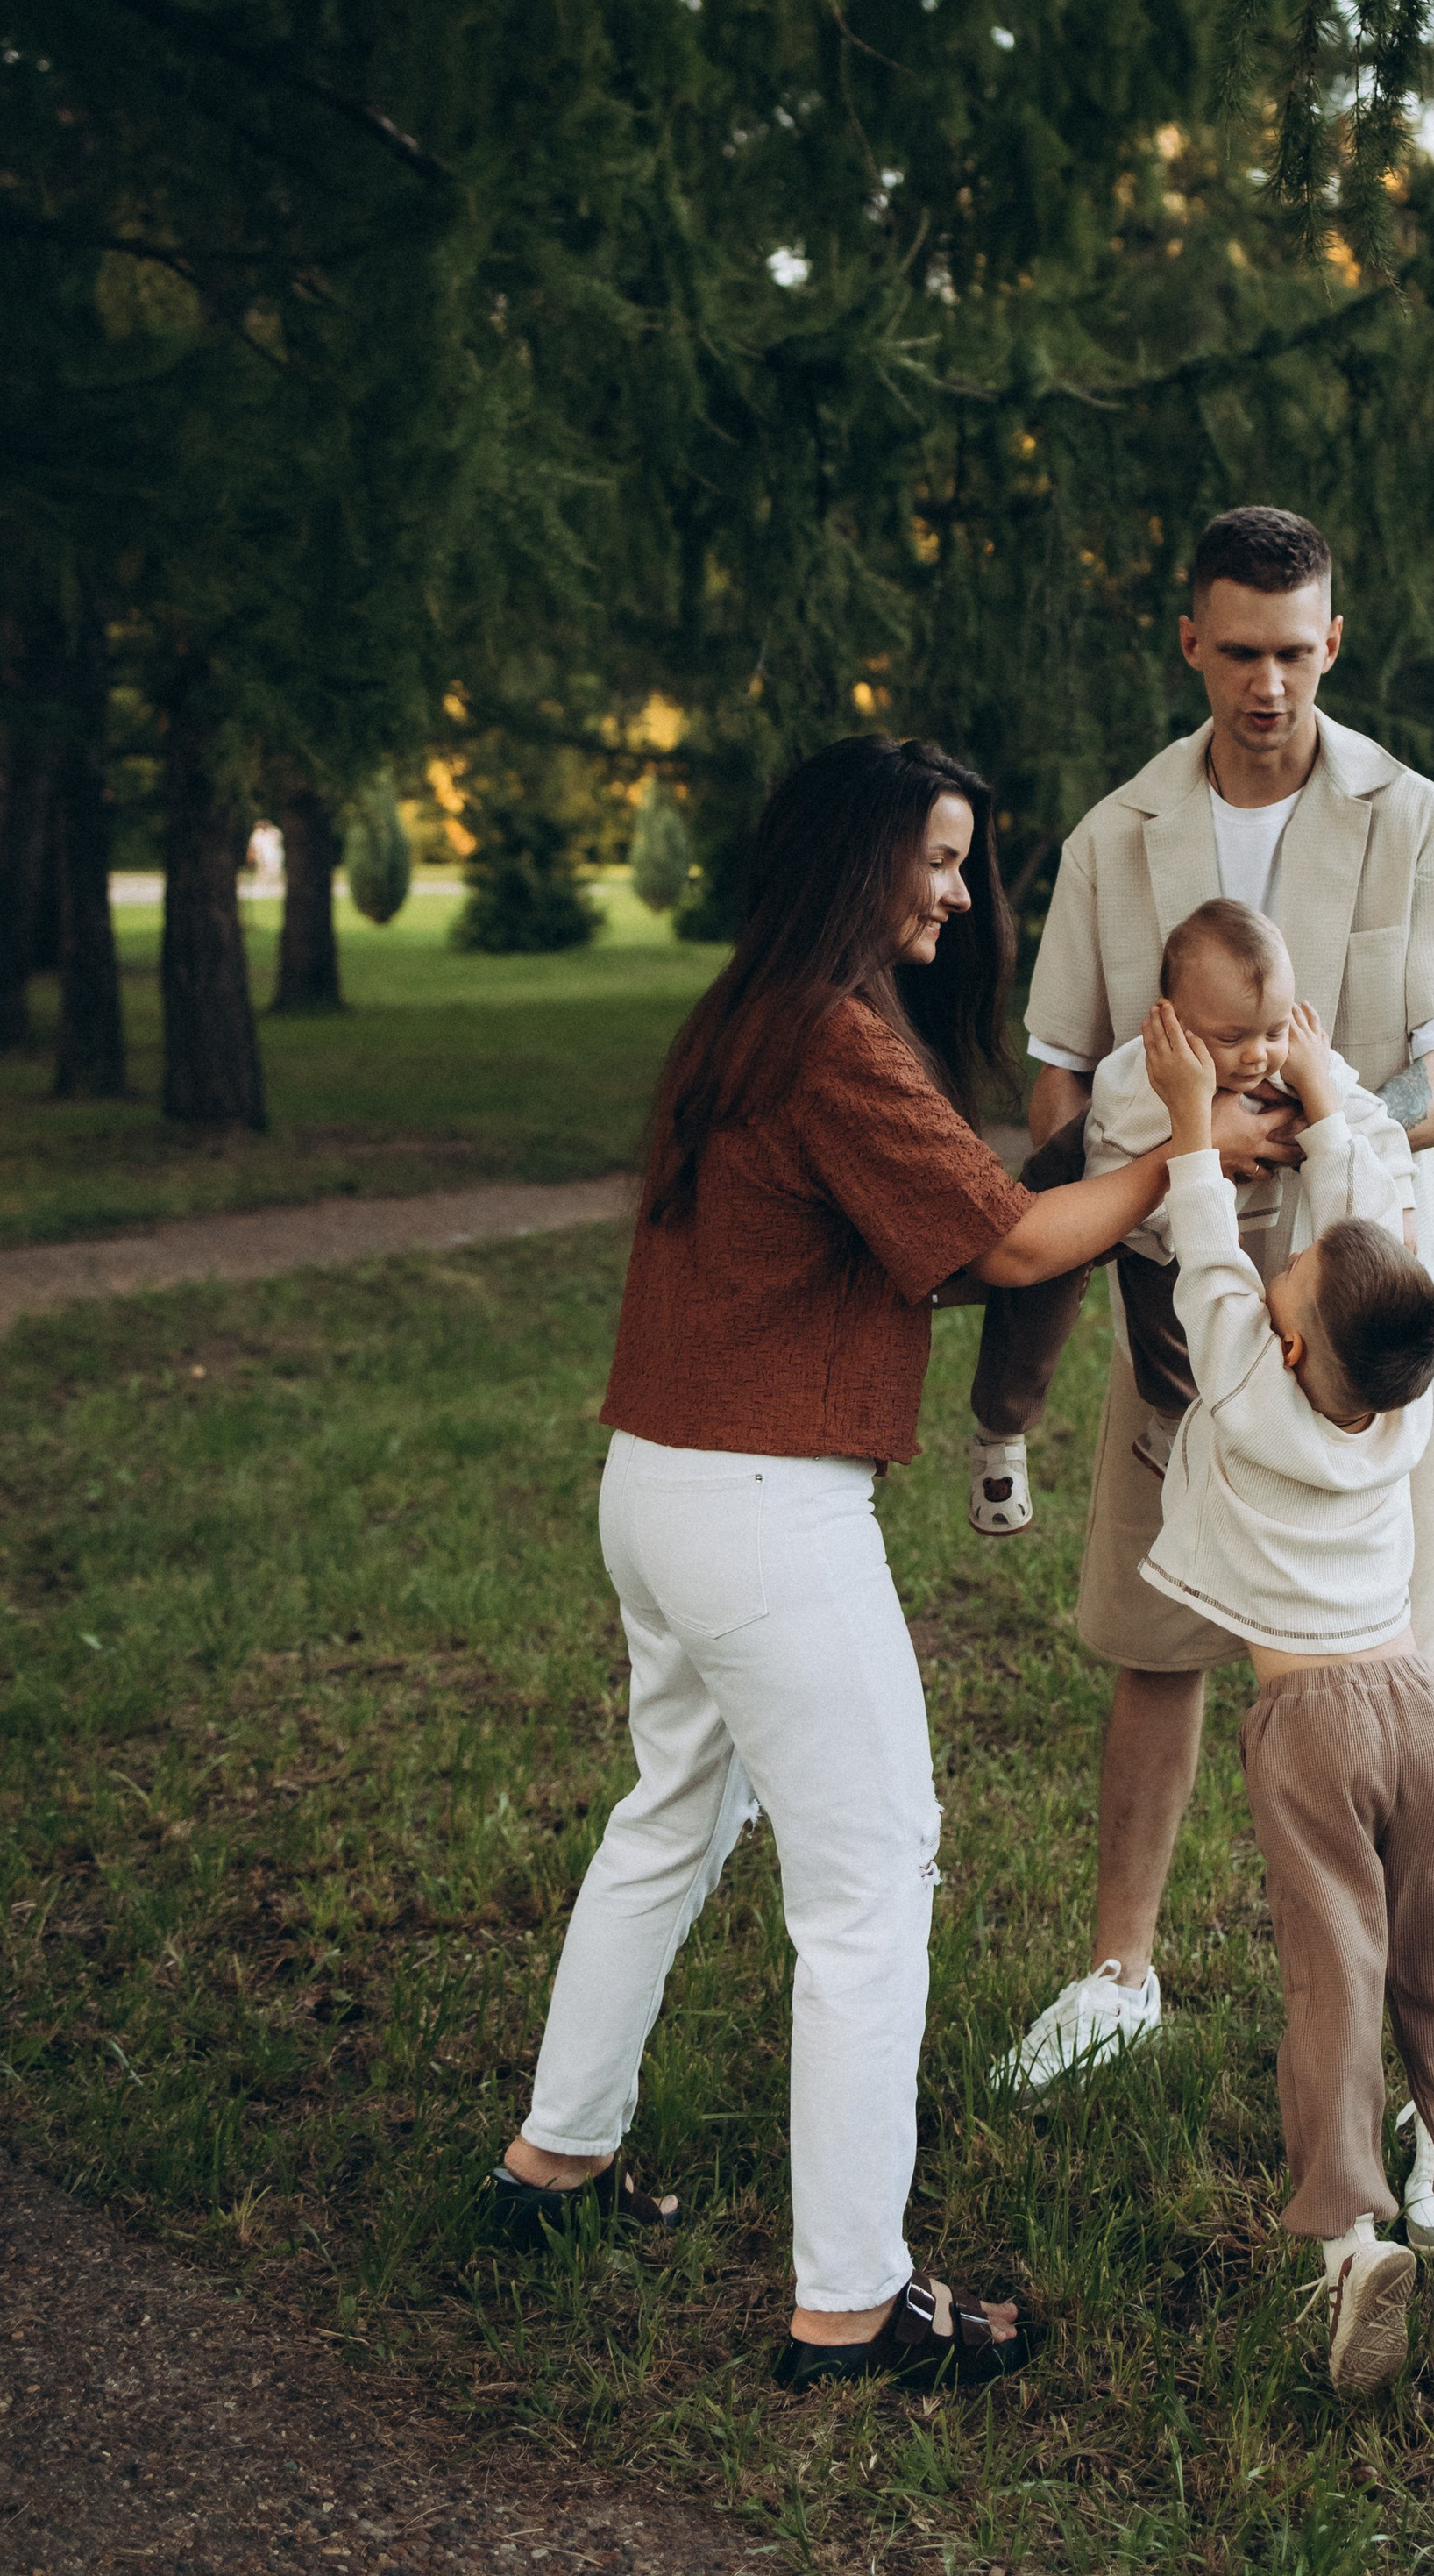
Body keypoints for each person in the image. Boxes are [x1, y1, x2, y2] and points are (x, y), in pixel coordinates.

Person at [484, 735, 1171, 2392]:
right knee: (870, 1888)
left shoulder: (747, 1013)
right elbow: (1000, 1243)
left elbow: (941, 1230)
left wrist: (1100, 1171)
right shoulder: (831, 1041)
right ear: (854, 857)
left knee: (668, 1819)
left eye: (967, 861)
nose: (958, 889)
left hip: (659, 1478)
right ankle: (851, 2305)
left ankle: (555, 2161)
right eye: (937, 857)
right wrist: (1180, 1165)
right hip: (763, 1510)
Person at [990, 505, 1434, 2201]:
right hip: (1182, 1292)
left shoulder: (1427, 827)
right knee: (1155, 1639)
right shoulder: (1116, 834)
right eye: (1240, 653)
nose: (1270, 686)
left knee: (1396, 1674)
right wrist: (1169, 1158)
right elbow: (1059, 1076)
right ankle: (1122, 1973)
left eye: (1298, 653)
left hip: (1355, 1322)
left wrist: (1325, 1112)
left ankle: (1428, 2074)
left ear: (1335, 644)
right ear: (1190, 641)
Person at [1136, 993, 1434, 2396]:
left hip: (1311, 1724)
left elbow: (1204, 1242)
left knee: (1336, 1974)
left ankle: (1353, 2240)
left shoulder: (1249, 1395)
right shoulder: (1409, 1381)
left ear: (1294, 1346)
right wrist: (1326, 1089)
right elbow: (1378, 1226)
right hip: (1425, 1711)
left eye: (1290, 1290)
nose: (1277, 1278)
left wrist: (1193, 1118)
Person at [964, 897, 1411, 1533]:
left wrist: (1321, 1092)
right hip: (1122, 1208)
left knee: (1206, 1329)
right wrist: (1193, 1124)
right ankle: (1001, 1424)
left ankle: (1176, 1424)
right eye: (1232, 1037)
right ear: (1170, 1023)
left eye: (1275, 1030)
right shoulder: (1136, 1083)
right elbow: (1105, 1176)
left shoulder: (1294, 1062)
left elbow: (1369, 1121)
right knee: (1064, 1307)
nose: (1258, 1054)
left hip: (1216, 1228)